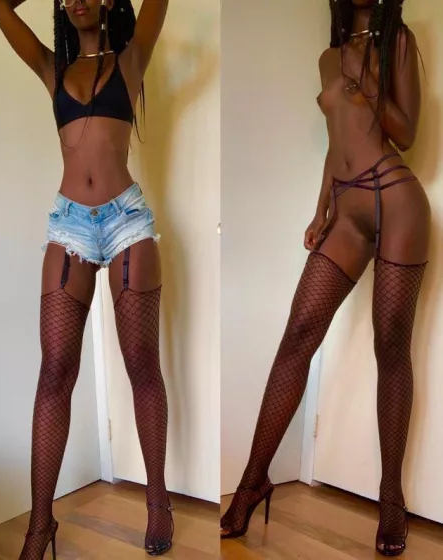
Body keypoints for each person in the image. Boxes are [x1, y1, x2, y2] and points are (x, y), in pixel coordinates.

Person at [220, 0, 429, 557]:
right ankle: (252, 481)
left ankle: (390, 496)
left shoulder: (398, 41)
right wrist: (321, 209)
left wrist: (362, 75)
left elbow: (406, 131)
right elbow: (339, 140)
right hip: (346, 208)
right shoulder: (326, 57)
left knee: (391, 345)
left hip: (397, 200)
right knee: (297, 336)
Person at [0, 0, 173, 557]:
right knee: (54, 371)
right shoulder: (52, 68)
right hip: (68, 225)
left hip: (126, 222)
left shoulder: (131, 58)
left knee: (141, 363)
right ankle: (39, 525)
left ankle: (158, 502)